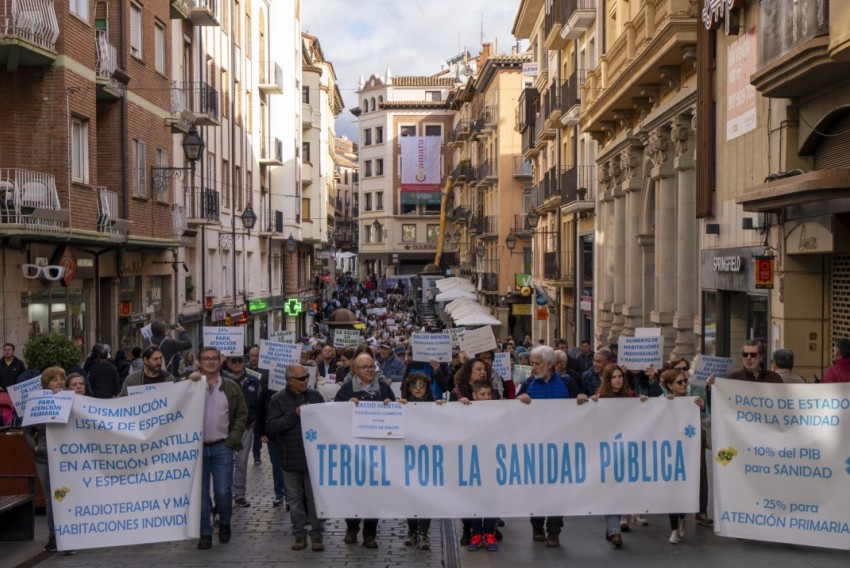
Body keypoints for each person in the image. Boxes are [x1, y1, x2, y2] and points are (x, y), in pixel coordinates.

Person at [579, 363, 649, 546]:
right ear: (608, 380)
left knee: (622, 490)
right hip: (607, 452)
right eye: (614, 377)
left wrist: (643, 403)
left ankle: (612, 528)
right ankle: (615, 531)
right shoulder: (600, 397)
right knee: (610, 490)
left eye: (620, 376)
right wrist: (588, 403)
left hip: (626, 451)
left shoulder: (631, 396)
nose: (618, 380)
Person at [516, 345, 577, 548]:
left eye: (536, 363)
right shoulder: (527, 384)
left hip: (560, 450)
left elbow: (583, 401)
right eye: (532, 363)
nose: (533, 366)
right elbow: (512, 411)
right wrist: (518, 400)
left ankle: (554, 531)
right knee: (536, 491)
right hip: (535, 450)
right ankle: (536, 525)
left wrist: (582, 398)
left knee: (557, 492)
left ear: (549, 365)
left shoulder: (567, 383)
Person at [189, 346, 248, 550]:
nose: (211, 362)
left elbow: (242, 414)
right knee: (201, 493)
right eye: (206, 358)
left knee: (223, 491)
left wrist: (232, 440)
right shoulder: (191, 385)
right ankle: (205, 532)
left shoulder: (231, 386)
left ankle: (224, 521)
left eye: (214, 358)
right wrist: (189, 380)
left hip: (222, 446)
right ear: (199, 362)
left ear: (220, 361)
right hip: (197, 449)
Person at [335, 352, 396, 548]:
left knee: (374, 494)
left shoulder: (385, 389)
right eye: (365, 367)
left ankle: (370, 533)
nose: (370, 370)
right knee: (354, 492)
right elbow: (333, 416)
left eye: (372, 366)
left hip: (379, 452)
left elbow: (396, 417)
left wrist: (391, 406)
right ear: (356, 370)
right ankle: (352, 528)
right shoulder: (345, 390)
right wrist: (346, 407)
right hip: (354, 451)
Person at [265, 363, 325, 551]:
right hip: (290, 457)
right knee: (295, 499)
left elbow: (327, 421)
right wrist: (295, 414)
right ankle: (299, 535)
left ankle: (316, 535)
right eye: (301, 378)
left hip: (313, 458)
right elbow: (273, 427)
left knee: (314, 498)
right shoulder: (277, 399)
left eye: (307, 376)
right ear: (290, 381)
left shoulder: (315, 396)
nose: (306, 380)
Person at [660, 367, 707, 544]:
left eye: (685, 381)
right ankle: (673, 529)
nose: (684, 385)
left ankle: (681, 518)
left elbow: (708, 421)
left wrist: (702, 409)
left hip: (689, 453)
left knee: (687, 490)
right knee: (673, 491)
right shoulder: (662, 400)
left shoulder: (692, 401)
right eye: (679, 382)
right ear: (670, 385)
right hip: (670, 454)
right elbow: (648, 411)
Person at [23, 367, 66, 552]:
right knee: (51, 498)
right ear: (46, 383)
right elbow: (27, 431)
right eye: (54, 379)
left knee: (65, 496)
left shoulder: (69, 399)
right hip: (44, 456)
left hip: (66, 457)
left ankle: (68, 535)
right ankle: (53, 536)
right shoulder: (36, 402)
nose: (59, 382)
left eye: (61, 379)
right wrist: (34, 446)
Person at [397, 373, 435, 550]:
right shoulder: (401, 405)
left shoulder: (434, 406)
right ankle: (412, 531)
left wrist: (441, 408)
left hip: (427, 458)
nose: (418, 388)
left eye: (422, 385)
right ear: (409, 388)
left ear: (427, 389)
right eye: (414, 385)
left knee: (426, 498)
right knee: (409, 497)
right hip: (407, 458)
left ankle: (424, 533)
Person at [464, 381, 500, 553]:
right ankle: (477, 533)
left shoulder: (497, 412)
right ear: (474, 396)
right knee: (474, 498)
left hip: (492, 461)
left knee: (491, 498)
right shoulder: (467, 410)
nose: (486, 398)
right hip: (474, 463)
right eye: (482, 394)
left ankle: (489, 531)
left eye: (488, 394)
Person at [225, 354, 261, 508]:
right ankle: (225, 493)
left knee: (241, 461)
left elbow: (259, 402)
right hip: (225, 427)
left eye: (240, 361)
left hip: (246, 426)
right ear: (228, 363)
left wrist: (254, 422)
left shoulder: (253, 380)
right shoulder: (222, 379)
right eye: (234, 361)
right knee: (225, 462)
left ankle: (239, 494)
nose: (238, 364)